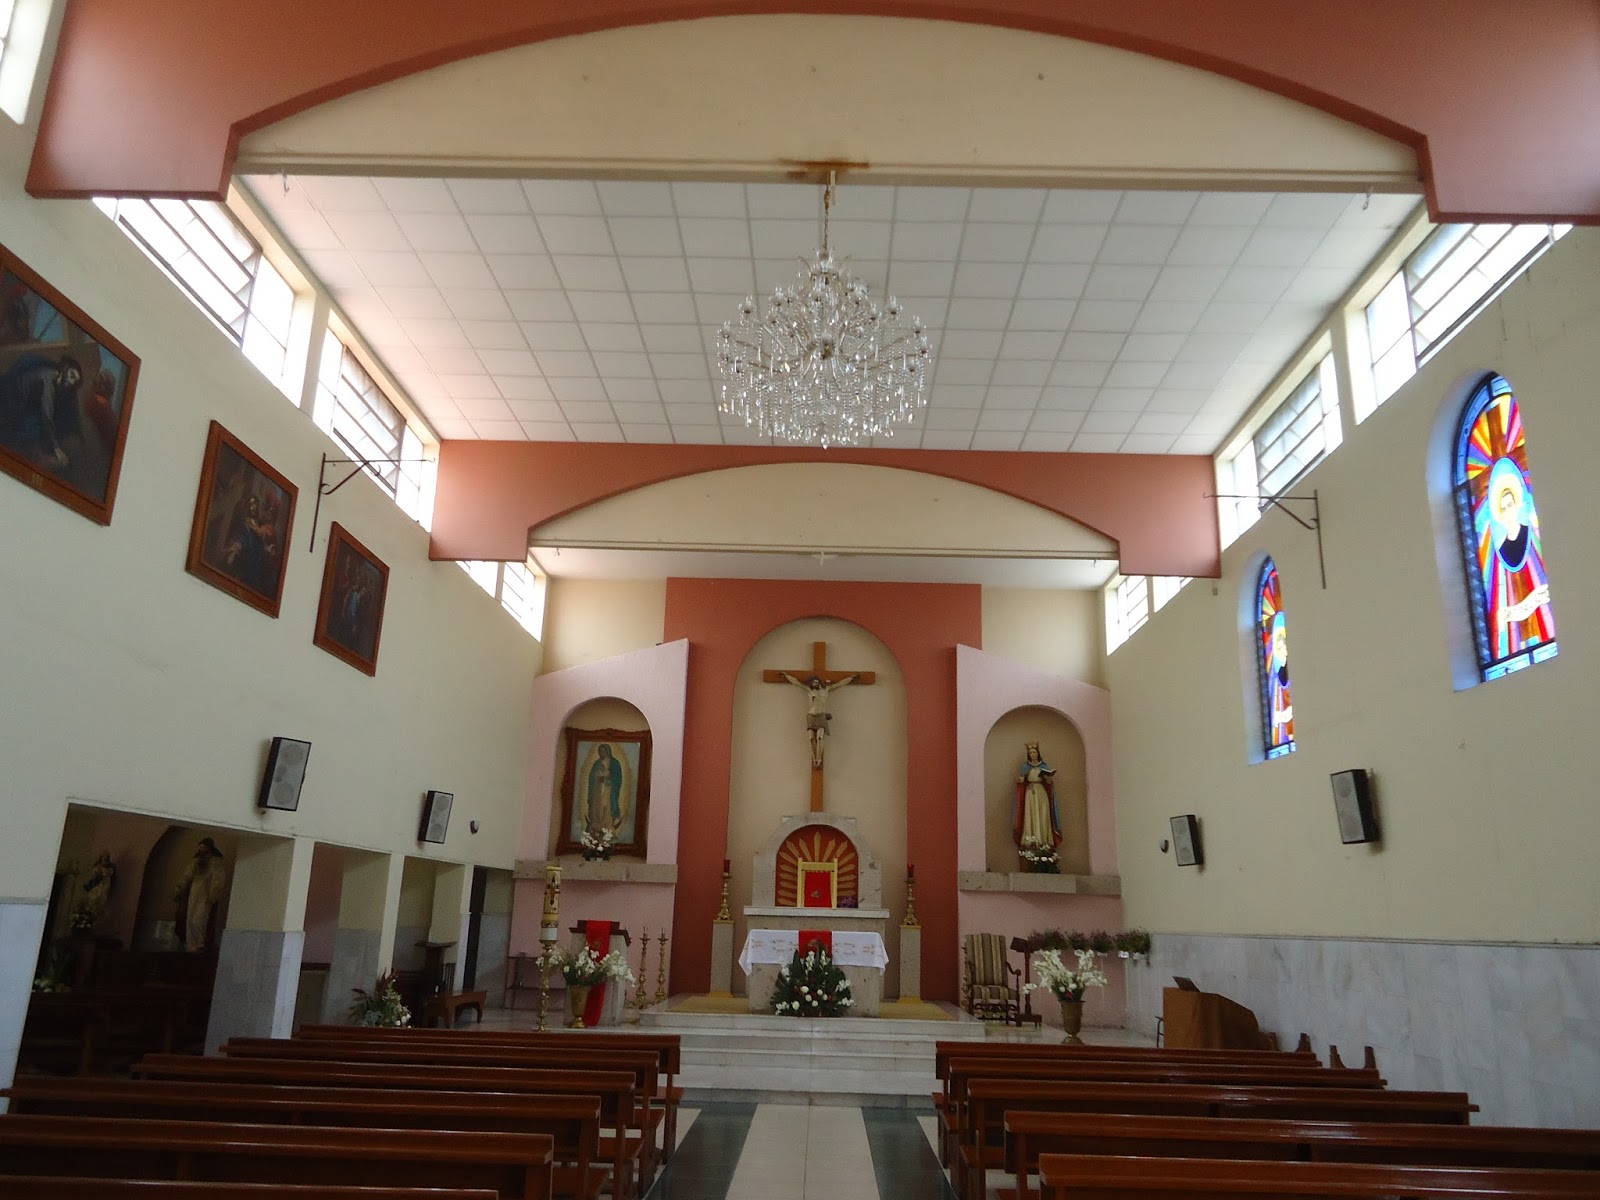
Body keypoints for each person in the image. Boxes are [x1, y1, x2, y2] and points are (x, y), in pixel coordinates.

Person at [779, 672, 857, 769]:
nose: (814, 684)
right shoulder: (809, 690)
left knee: (820, 737)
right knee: (811, 738)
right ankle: (814, 757)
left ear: (819, 682)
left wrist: (850, 678)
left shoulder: (826, 690)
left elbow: (839, 684)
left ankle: (819, 758)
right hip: (811, 716)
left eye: (816, 682)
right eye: (813, 683)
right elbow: (796, 682)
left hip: (821, 716)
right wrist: (786, 676)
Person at [173, 837, 227, 953]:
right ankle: (191, 945)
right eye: (201, 847)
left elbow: (218, 878)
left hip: (205, 893)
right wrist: (180, 888)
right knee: (190, 919)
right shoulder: (196, 861)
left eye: (204, 847)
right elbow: (187, 875)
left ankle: (200, 943)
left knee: (199, 919)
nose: (202, 849)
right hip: (194, 891)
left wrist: (213, 893)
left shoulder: (215, 861)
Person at [1013, 742, 1061, 852]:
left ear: (1038, 753)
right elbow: (1020, 781)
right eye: (1030, 753)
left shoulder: (1043, 766)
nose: (1032, 754)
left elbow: (1048, 782)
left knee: (1043, 815)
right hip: (1030, 792)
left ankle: (1044, 841)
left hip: (1041, 792)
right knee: (1031, 814)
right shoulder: (1026, 766)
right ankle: (1031, 841)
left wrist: (1049, 778)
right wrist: (1020, 779)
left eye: (1034, 752)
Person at [586, 743, 624, 832]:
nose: (602, 753)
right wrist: (597, 776)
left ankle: (607, 826)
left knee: (606, 805)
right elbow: (591, 777)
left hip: (609, 790)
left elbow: (618, 778)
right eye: (600, 751)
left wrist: (608, 779)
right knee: (597, 806)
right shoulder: (597, 764)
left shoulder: (614, 763)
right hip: (598, 790)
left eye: (603, 751)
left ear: (608, 751)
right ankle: (596, 825)